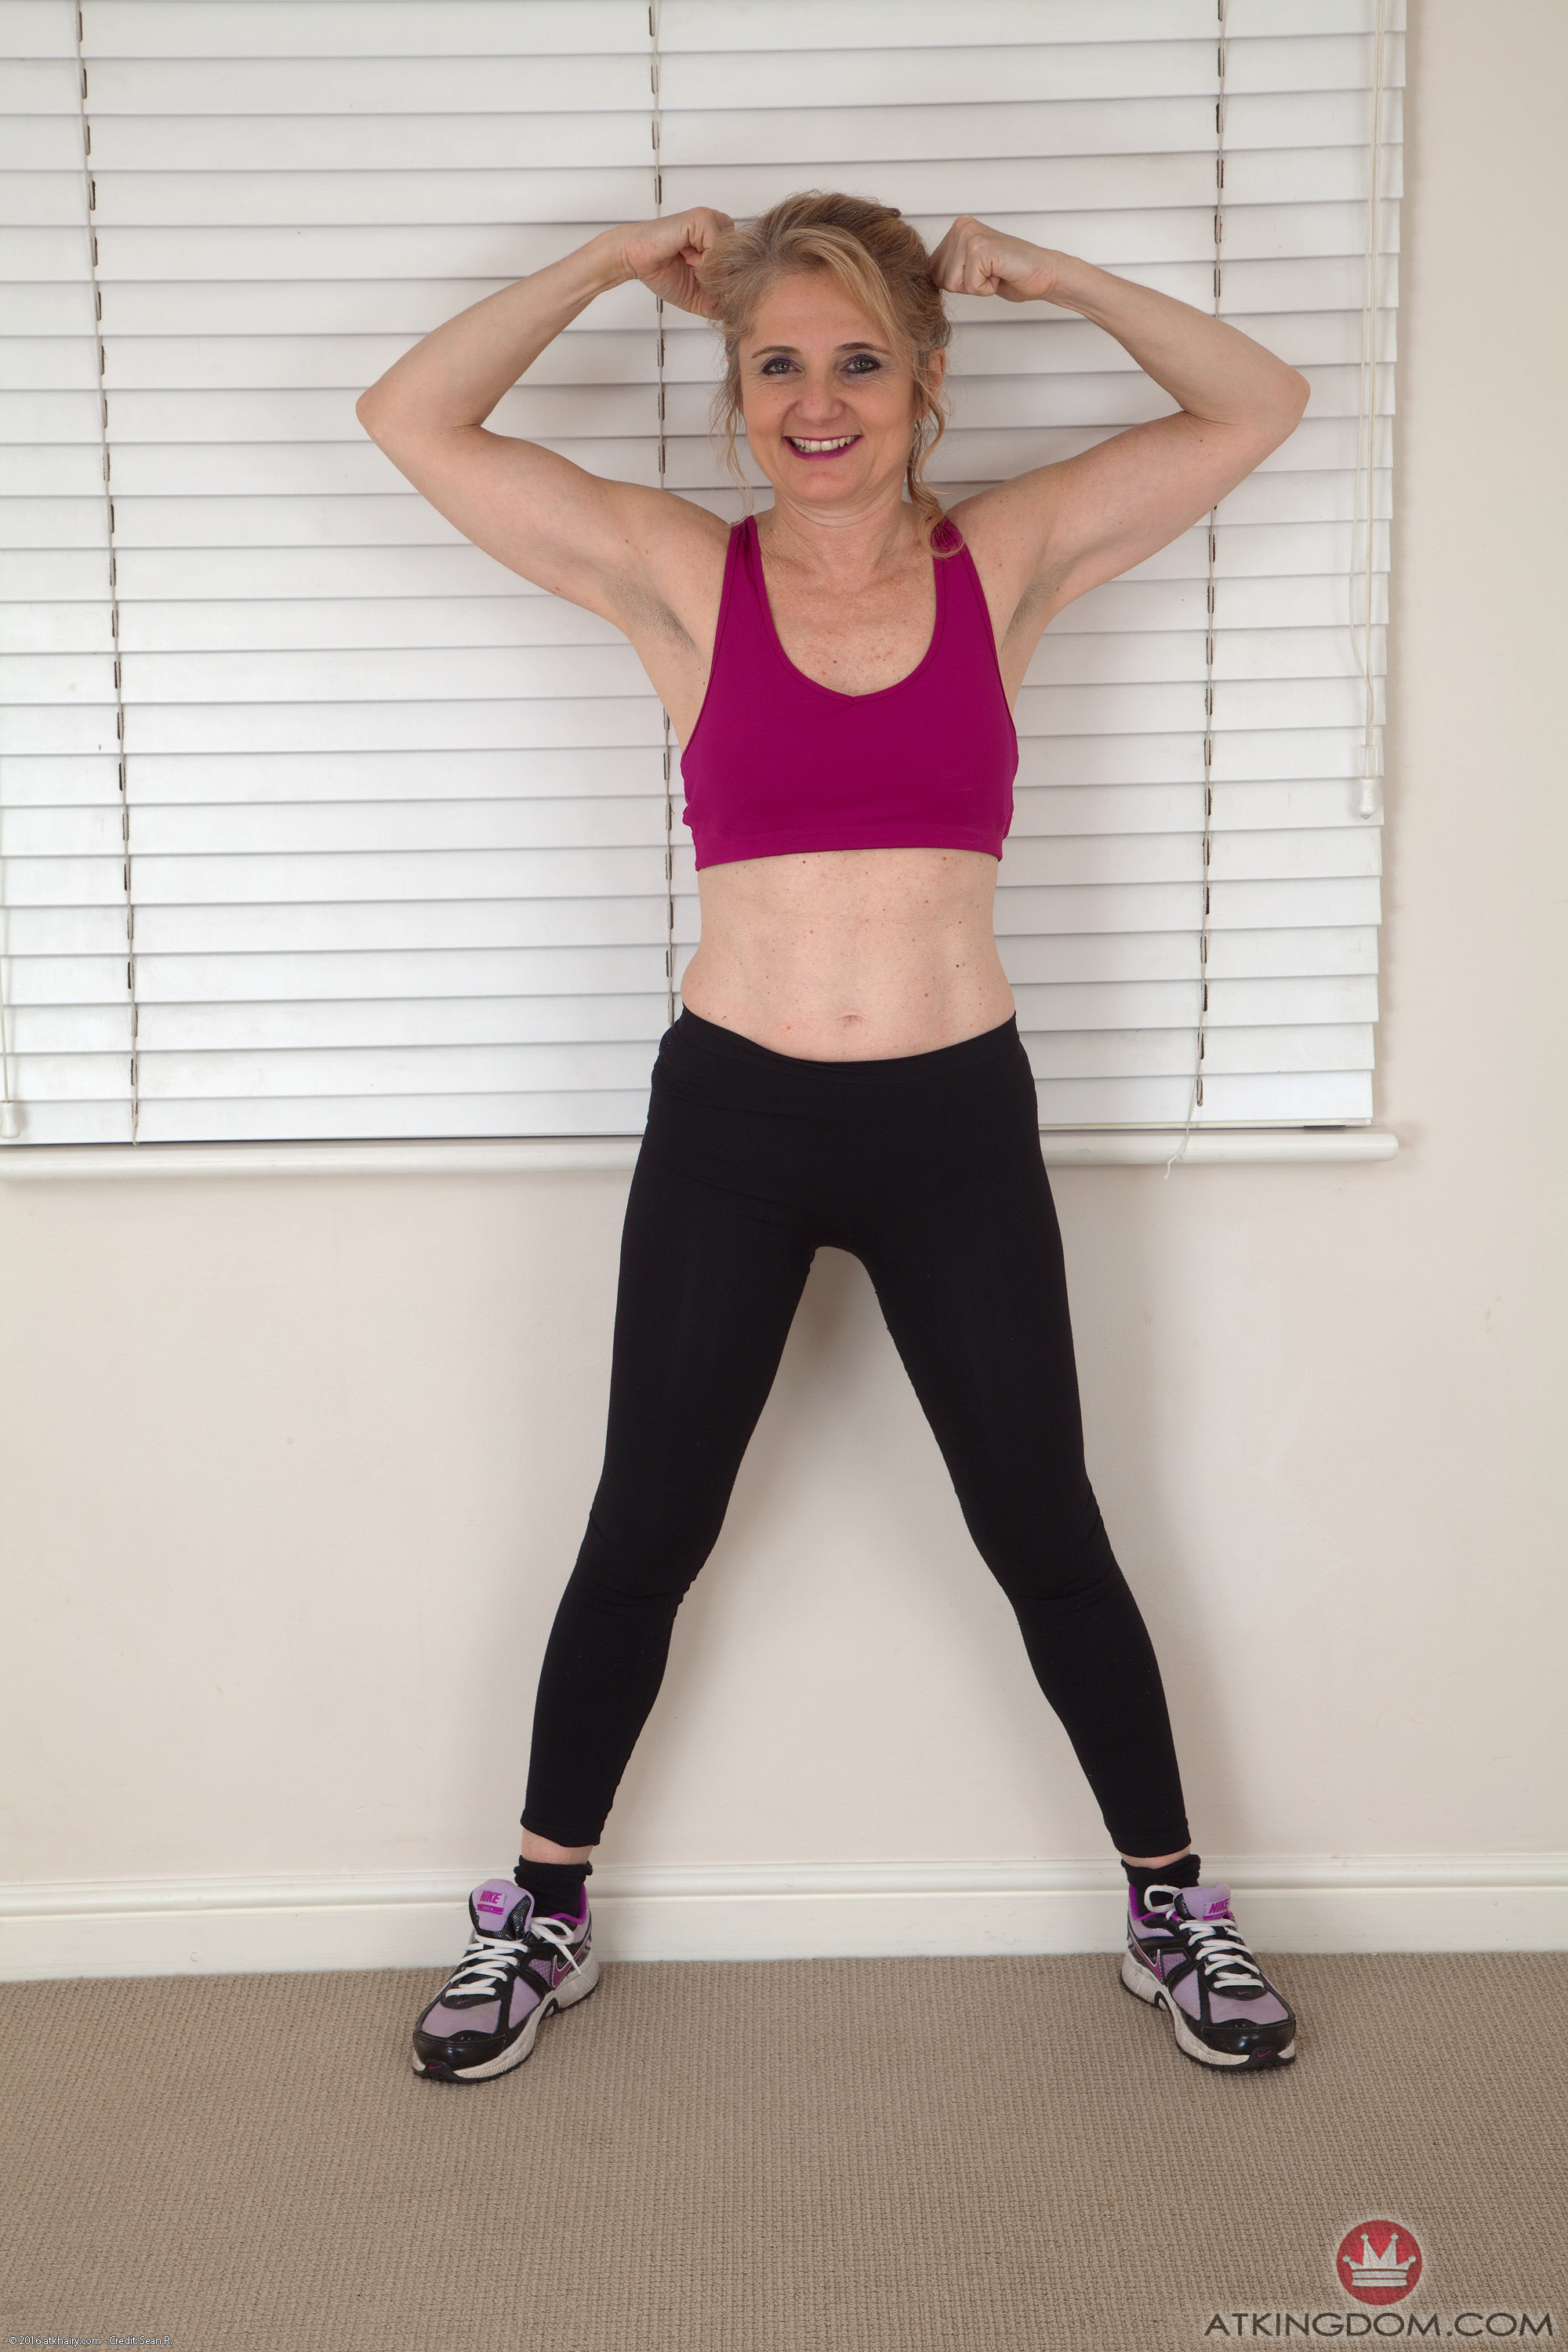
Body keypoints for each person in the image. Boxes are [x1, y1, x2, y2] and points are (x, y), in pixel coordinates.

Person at [356, 193, 1308, 2084]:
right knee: (646, 1524)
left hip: (954, 1120)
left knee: (1044, 1527)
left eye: (860, 359)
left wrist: (1053, 273)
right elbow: (411, 419)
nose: (816, 401)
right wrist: (602, 265)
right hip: (737, 1117)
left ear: (926, 376)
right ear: (732, 388)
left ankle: (1171, 1909)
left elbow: (1255, 403)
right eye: (776, 362)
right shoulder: (679, 576)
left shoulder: (1004, 563)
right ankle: (540, 1910)